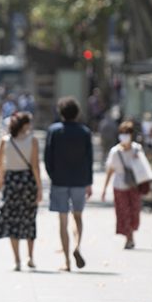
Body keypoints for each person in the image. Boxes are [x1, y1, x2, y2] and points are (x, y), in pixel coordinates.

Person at [44, 97, 94, 270]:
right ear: (77, 113)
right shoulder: (85, 132)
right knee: (78, 216)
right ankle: (77, 246)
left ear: (61, 113)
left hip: (60, 180)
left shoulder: (54, 131)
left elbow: (47, 157)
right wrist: (89, 182)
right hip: (80, 180)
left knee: (62, 220)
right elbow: (89, 159)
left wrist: (53, 175)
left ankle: (66, 261)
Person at [0, 111, 41, 271]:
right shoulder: (33, 141)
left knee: (12, 219)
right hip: (28, 181)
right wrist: (39, 188)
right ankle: (30, 256)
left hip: (11, 181)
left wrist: (0, 179)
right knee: (29, 218)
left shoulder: (5, 140)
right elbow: (35, 166)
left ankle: (17, 260)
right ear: (25, 124)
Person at [100, 120, 146, 250]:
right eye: (122, 133)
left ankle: (130, 235)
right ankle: (129, 237)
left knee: (134, 212)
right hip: (119, 186)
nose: (124, 136)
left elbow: (143, 167)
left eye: (127, 133)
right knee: (124, 213)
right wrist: (104, 188)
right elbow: (110, 170)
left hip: (134, 186)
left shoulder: (137, 149)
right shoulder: (115, 151)